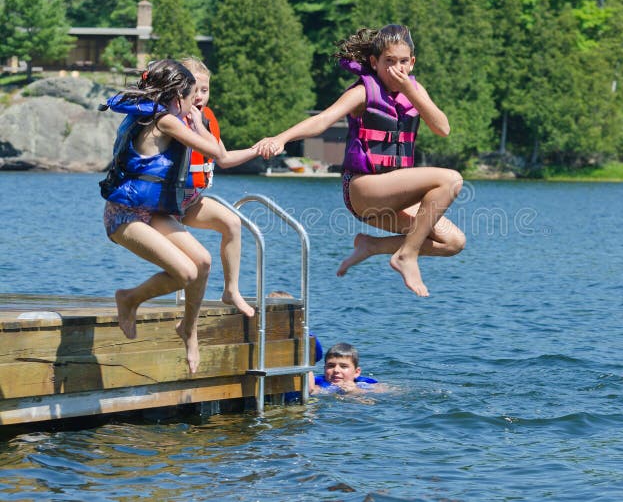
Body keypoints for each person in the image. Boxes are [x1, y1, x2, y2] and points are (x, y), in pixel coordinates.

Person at [255, 24, 466, 297]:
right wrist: (281, 138)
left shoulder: (415, 90)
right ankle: (406, 256)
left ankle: (372, 246)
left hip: (393, 198)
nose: (397, 69)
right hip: (364, 190)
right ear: (374, 62)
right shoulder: (363, 92)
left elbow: (443, 128)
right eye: (389, 62)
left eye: (403, 62)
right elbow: (322, 120)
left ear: (412, 62)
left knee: (454, 242)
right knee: (450, 179)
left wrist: (412, 92)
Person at [100, 59, 227, 373]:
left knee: (203, 261)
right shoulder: (166, 120)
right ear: (178, 96)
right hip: (124, 214)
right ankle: (128, 299)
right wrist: (199, 126)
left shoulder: (152, 112)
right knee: (184, 272)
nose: (194, 100)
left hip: (151, 210)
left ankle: (189, 329)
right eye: (191, 94)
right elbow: (217, 154)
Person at [179, 57, 260, 318]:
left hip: (190, 200)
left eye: (205, 90)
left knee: (232, 223)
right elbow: (210, 148)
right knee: (196, 261)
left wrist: (256, 150)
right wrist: (197, 125)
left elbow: (223, 158)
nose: (200, 96)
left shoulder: (206, 118)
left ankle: (231, 291)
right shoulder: (173, 117)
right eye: (195, 90)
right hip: (164, 204)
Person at [309, 343, 381, 395]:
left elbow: (388, 391)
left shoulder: (364, 385)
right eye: (331, 366)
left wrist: (356, 391)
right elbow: (311, 390)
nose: (336, 370)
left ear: (356, 372)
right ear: (324, 369)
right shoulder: (319, 385)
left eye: (343, 366)